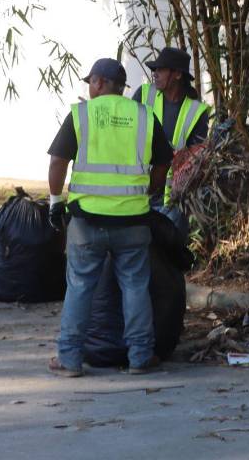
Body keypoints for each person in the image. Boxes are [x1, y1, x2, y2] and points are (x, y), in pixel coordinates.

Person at [46, 58, 172, 377]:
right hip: (132, 220)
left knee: (79, 286)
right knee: (135, 287)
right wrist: (147, 192)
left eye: (91, 82)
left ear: (100, 83)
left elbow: (58, 161)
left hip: (87, 220)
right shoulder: (144, 116)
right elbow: (162, 164)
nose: (89, 88)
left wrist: (55, 201)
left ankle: (70, 359)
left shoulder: (82, 115)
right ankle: (141, 357)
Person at [132, 47, 210, 214]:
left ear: (177, 74)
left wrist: (181, 156)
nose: (155, 73)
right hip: (137, 193)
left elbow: (196, 158)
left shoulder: (197, 112)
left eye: (161, 69)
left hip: (172, 201)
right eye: (155, 69)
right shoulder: (144, 94)